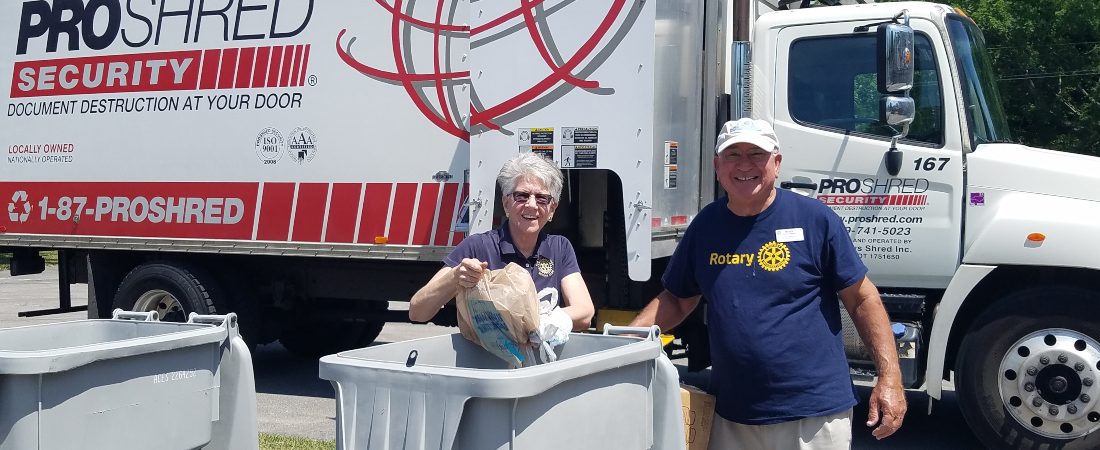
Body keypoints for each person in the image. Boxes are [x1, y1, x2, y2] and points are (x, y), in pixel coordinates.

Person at [630, 118, 906, 448]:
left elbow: (862, 299)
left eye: (756, 154)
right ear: (718, 165)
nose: (744, 165)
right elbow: (677, 299)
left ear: (776, 163)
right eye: (733, 155)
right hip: (733, 416)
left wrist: (890, 377)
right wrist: (626, 341)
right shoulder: (706, 227)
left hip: (813, 417)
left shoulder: (815, 221)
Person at [410, 152, 595, 339]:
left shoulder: (559, 247)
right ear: (506, 204)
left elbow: (585, 312)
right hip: (488, 363)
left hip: (541, 365)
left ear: (552, 209)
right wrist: (454, 277)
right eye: (521, 196)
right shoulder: (478, 246)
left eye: (541, 198)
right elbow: (417, 312)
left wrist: (543, 323)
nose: (531, 205)